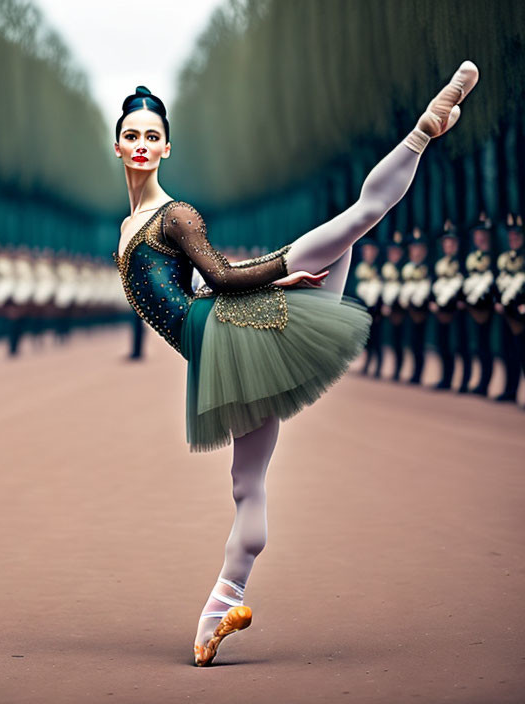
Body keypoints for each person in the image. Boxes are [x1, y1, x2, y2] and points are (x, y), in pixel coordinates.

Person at [110, 63, 479, 666]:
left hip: (225, 332)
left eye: (153, 136)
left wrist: (283, 272)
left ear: (167, 147)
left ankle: (423, 130)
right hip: (220, 348)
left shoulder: (175, 216)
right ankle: (220, 609)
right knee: (245, 484)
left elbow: (223, 277)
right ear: (119, 142)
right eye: (134, 135)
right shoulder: (129, 226)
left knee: (353, 223)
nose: (143, 145)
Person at [430, 222, 471, 391]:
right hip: (441, 310)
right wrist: (432, 300)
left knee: (461, 346)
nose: (449, 246)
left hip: (458, 311)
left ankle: (464, 382)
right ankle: (446, 378)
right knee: (443, 345)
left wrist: (462, 300)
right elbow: (434, 282)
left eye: (452, 243)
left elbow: (468, 282)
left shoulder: (463, 263)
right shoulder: (440, 263)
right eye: (446, 243)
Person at [462, 215, 496, 395]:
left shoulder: (495, 255)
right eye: (477, 234)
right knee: (479, 346)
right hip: (473, 307)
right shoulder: (472, 257)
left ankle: (503, 387)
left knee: (495, 347)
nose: (480, 237)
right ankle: (482, 382)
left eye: (483, 233)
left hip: (491, 307)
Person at [495, 214, 524, 402]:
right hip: (507, 311)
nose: (513, 240)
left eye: (517, 237)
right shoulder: (505, 259)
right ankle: (510, 390)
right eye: (511, 237)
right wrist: (497, 300)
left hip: (522, 312)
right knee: (509, 353)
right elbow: (499, 282)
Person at [399, 227, 431, 384]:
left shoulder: (429, 268)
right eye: (413, 248)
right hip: (409, 311)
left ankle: (419, 373)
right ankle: (413, 372)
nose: (416, 252)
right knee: (411, 342)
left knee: (420, 342)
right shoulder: (406, 268)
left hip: (423, 311)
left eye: (419, 248)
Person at [353, 237, 383, 376]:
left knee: (377, 339)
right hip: (364, 310)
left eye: (370, 250)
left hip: (376, 311)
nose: (367, 253)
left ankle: (378, 367)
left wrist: (379, 309)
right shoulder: (360, 268)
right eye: (365, 251)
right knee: (367, 339)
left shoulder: (381, 269)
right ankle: (367, 364)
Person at [381, 231, 406, 381]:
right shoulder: (386, 268)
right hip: (387, 308)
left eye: (396, 252)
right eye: (391, 252)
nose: (393, 255)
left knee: (399, 341)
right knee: (390, 340)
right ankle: (389, 368)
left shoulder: (405, 269)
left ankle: (399, 370)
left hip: (400, 310)